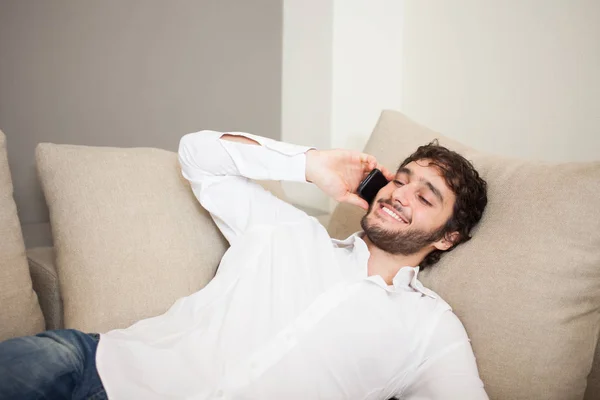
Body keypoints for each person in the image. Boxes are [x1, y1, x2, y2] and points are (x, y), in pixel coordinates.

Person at [0, 130, 488, 399]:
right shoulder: (288, 231)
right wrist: (309, 164)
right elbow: (198, 154)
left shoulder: (429, 328)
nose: (399, 194)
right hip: (92, 366)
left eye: (425, 196)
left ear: (448, 237)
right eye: (400, 180)